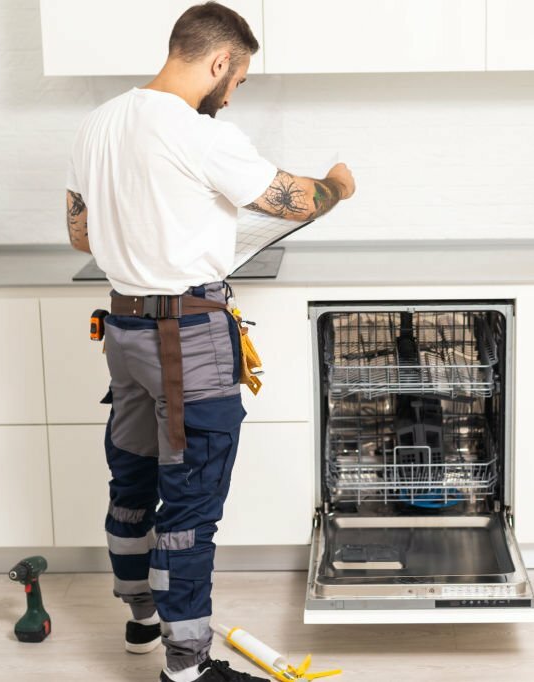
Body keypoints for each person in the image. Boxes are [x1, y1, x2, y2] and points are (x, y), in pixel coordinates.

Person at [63, 3, 356, 681]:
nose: (233, 91)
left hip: (125, 332)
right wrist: (338, 183)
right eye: (239, 78)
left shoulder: (97, 123)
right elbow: (300, 200)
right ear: (220, 60)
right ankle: (188, 668)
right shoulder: (199, 134)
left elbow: (81, 234)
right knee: (191, 505)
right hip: (187, 341)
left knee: (131, 480)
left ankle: (140, 620)